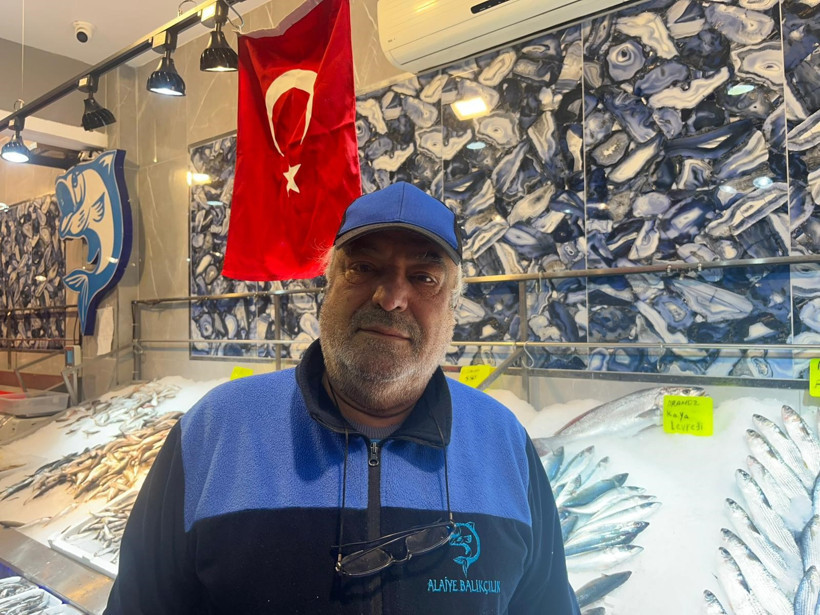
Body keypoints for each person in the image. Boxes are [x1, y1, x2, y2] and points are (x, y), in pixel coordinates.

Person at [105, 181, 580, 614]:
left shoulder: (504, 444)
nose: (391, 297)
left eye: (424, 278)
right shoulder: (215, 431)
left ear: (454, 307)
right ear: (329, 284)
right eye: (365, 267)